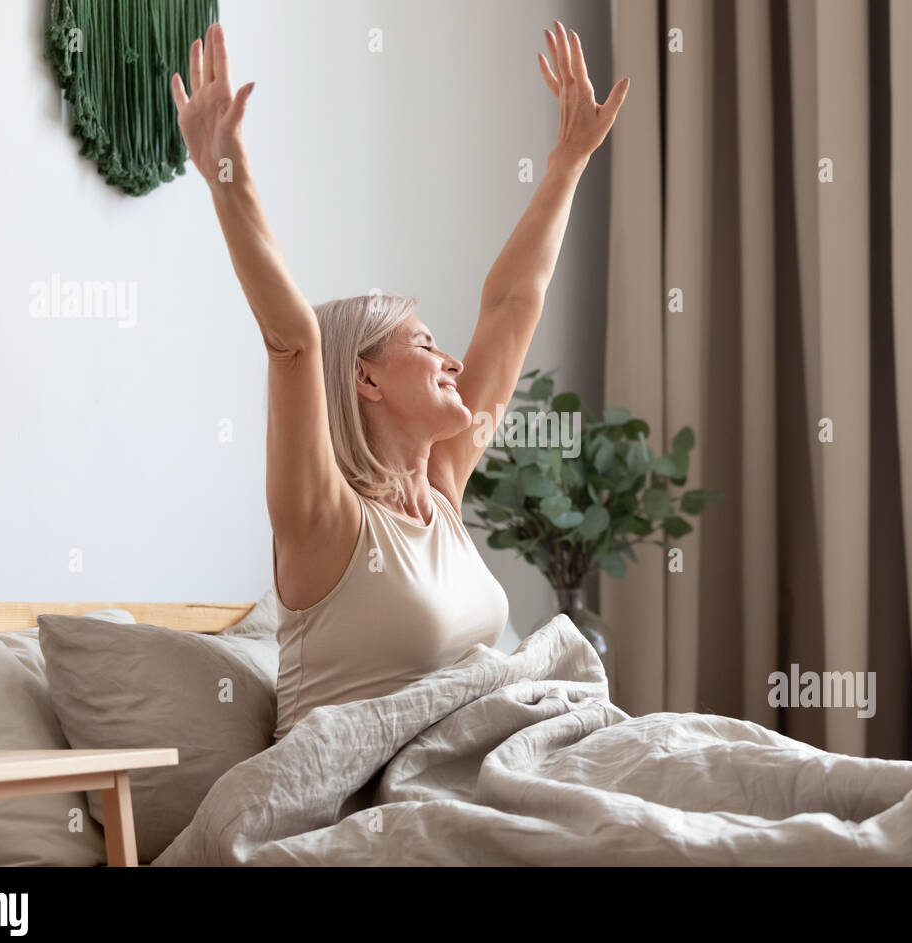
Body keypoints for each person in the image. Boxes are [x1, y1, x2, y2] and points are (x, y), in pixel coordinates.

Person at [171, 20, 629, 740]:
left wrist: (568, 161)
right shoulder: (326, 525)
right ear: (366, 380)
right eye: (424, 344)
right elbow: (293, 342)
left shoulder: (441, 491)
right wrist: (227, 172)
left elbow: (512, 304)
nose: (454, 364)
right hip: (366, 800)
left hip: (479, 765)